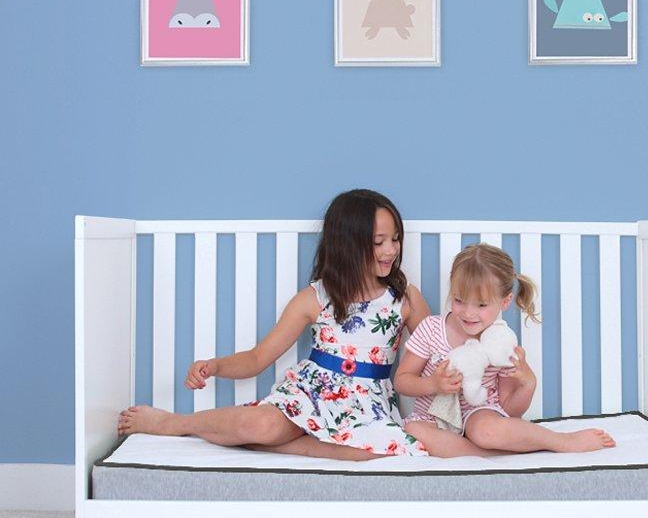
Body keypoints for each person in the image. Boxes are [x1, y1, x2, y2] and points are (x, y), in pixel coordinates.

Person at [117, 190, 430, 461]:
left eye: (395, 239)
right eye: (378, 242)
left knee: (382, 452)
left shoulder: (405, 298)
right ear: (347, 245)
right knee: (261, 425)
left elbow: (435, 345)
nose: (391, 250)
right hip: (312, 394)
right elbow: (257, 358)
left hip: (368, 404)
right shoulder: (315, 298)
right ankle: (175, 423)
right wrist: (215, 366)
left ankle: (288, 447)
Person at [395, 243, 617, 458]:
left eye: (481, 305)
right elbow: (402, 381)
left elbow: (510, 411)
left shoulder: (500, 343)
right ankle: (489, 453)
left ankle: (561, 441)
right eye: (459, 300)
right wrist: (433, 383)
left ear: (505, 301)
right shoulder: (432, 329)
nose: (468, 313)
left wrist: (528, 383)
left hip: (479, 414)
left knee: (486, 431)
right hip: (433, 416)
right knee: (413, 431)